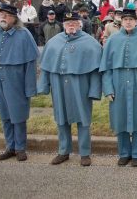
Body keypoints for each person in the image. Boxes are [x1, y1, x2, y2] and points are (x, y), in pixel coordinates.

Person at [99, 6, 137, 167]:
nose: (128, 22)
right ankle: (124, 153)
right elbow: (105, 68)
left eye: (131, 20)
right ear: (121, 21)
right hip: (118, 85)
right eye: (125, 19)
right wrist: (108, 89)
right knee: (120, 119)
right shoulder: (112, 40)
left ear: (136, 22)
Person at [37, 12, 102, 166]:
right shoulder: (53, 42)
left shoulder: (90, 43)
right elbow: (46, 67)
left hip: (81, 86)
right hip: (58, 84)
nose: (71, 25)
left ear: (80, 23)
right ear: (63, 25)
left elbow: (95, 71)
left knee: (83, 119)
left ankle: (85, 153)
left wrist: (94, 91)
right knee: (61, 118)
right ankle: (63, 151)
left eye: (74, 22)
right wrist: (43, 87)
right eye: (68, 22)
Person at [0, 3, 38, 161]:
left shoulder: (24, 34)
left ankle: (20, 148)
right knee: (5, 115)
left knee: (18, 115)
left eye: (6, 15)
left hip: (16, 81)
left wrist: (30, 87)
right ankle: (10, 147)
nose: (3, 18)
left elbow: (30, 64)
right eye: (1, 15)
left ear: (14, 18)